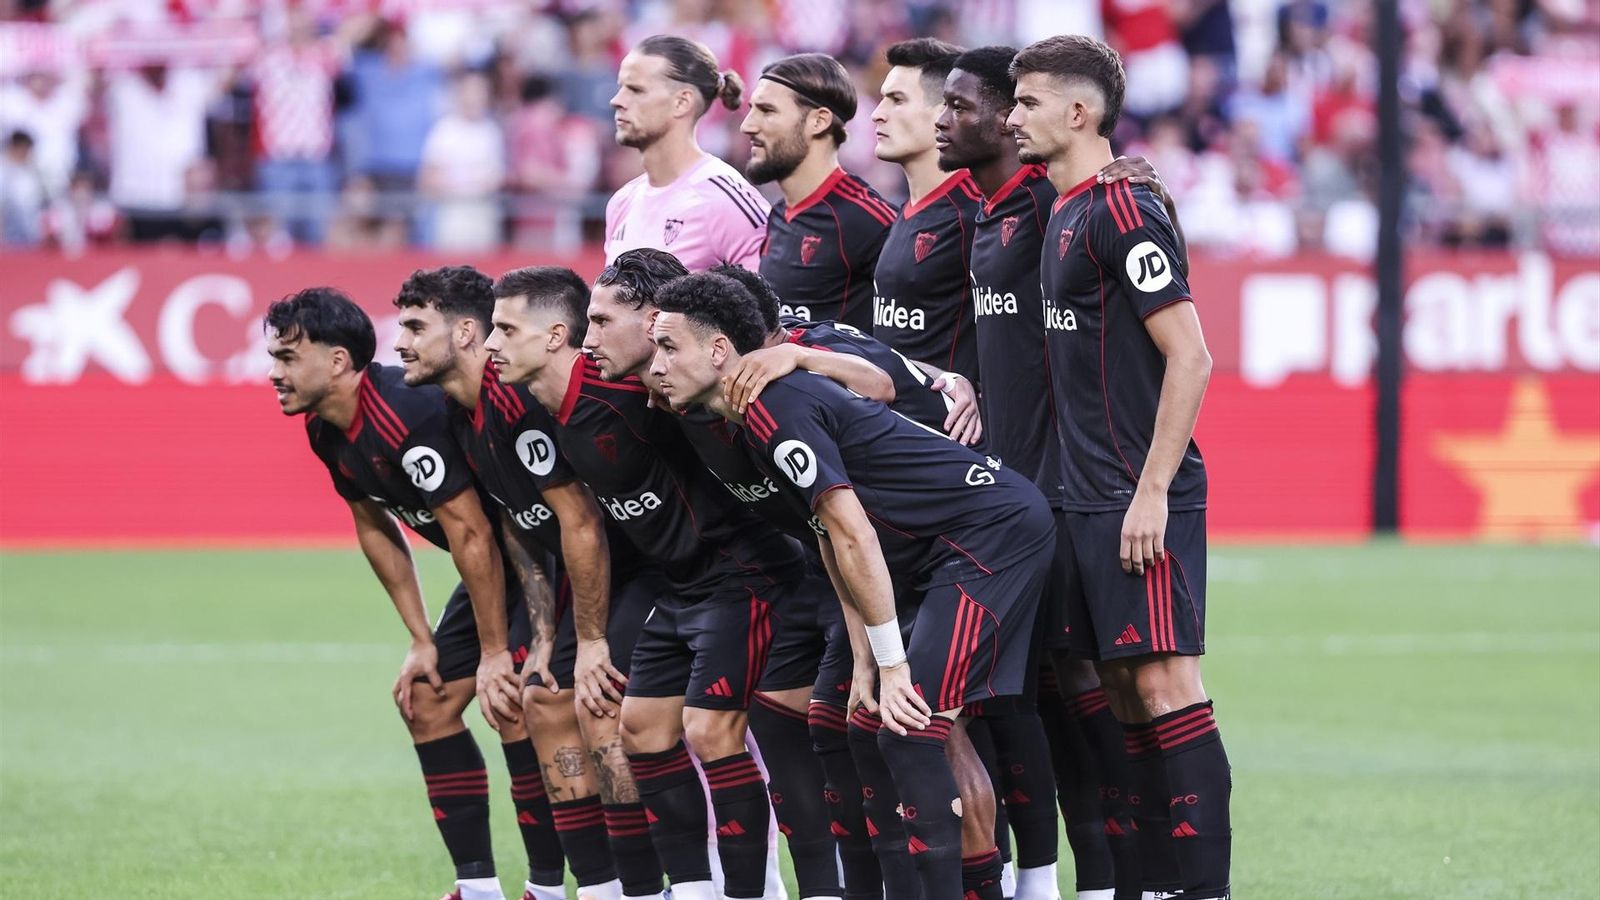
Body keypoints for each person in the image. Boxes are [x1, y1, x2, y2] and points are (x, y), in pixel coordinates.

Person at [647, 272, 1055, 900]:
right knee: (875, 721)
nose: (656, 366)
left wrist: (892, 664)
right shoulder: (751, 414)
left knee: (911, 726)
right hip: (943, 552)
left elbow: (854, 533)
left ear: (720, 350)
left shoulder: (773, 405)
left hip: (992, 539)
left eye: (669, 347)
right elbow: (827, 537)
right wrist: (867, 657)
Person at [484, 262, 811, 900]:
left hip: (741, 573)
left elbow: (742, 388)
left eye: (505, 329)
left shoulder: (634, 394)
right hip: (679, 585)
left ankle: (757, 890)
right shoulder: (550, 406)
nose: (491, 344)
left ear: (554, 336)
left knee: (718, 732)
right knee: (639, 728)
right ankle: (686, 889)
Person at [1010, 35, 1231, 900]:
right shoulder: (1065, 207)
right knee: (1121, 695)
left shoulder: (1123, 211)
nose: (1013, 116)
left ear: (1079, 113)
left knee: (1168, 685)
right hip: (1080, 499)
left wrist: (1152, 493)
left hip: (1135, 497)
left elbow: (1191, 356)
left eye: (1028, 102)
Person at [390, 266, 671, 900]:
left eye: (414, 326)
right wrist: (541, 637)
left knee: (596, 708)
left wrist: (588, 639)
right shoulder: (462, 412)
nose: (400, 342)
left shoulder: (518, 400)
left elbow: (580, 520)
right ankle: (586, 888)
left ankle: (647, 887)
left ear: (466, 332)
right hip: (583, 573)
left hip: (644, 567)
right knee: (541, 698)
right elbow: (518, 523)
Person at [263, 289, 549, 900]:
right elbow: (374, 525)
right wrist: (421, 639)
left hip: (536, 561)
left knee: (511, 703)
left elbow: (472, 531)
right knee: (426, 701)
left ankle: (546, 889)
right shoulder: (325, 429)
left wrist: (494, 652)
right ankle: (477, 889)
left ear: (338, 362)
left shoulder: (406, 413)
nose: (274, 373)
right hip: (490, 570)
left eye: (287, 358)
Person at [740, 52, 895, 333]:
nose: (747, 125)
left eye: (767, 111)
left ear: (819, 121)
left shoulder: (867, 219)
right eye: (751, 109)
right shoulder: (779, 214)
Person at [869, 39, 985, 384]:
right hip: (895, 415)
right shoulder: (906, 210)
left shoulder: (978, 212)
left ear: (943, 112)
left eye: (897, 100)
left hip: (953, 418)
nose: (877, 113)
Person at [604, 35, 770, 272]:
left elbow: (772, 292)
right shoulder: (622, 202)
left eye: (636, 90)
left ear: (682, 102)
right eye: (620, 87)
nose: (616, 100)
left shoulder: (724, 201)